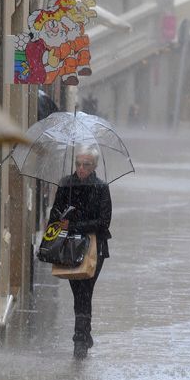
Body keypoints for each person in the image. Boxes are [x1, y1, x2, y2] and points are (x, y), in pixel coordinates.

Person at [48, 144, 112, 359]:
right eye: (79, 164)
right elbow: (55, 215)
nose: (81, 168)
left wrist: (77, 225)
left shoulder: (101, 187)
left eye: (86, 164)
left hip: (95, 247)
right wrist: (57, 227)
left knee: (86, 290)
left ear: (94, 166)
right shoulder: (66, 184)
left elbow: (104, 222)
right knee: (79, 293)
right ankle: (84, 334)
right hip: (70, 248)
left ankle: (79, 339)